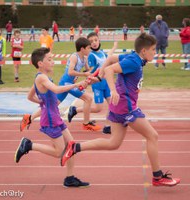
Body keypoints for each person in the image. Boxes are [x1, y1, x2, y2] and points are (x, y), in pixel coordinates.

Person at [61, 33, 181, 187]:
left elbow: (109, 60)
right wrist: (113, 90)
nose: (155, 52)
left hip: (119, 106)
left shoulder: (133, 57)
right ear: (144, 51)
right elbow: (111, 69)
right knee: (153, 136)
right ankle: (157, 177)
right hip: (126, 107)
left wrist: (99, 76)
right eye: (153, 49)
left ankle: (75, 147)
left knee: (113, 143)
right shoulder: (133, 62)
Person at [15, 47, 89, 188]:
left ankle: (70, 178)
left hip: (54, 117)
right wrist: (77, 84)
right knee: (59, 152)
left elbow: (30, 96)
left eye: (52, 59)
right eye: (49, 59)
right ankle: (29, 145)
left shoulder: (41, 78)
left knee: (71, 145)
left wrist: (43, 103)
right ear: (40, 64)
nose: (53, 62)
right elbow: (56, 89)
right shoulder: (42, 78)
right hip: (50, 120)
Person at [20, 37, 101, 132]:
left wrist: (92, 72)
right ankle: (86, 123)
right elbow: (70, 72)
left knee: (53, 104)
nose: (90, 49)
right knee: (88, 98)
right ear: (82, 49)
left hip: (71, 83)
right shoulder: (74, 57)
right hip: (66, 82)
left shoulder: (85, 58)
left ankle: (30, 118)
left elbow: (87, 71)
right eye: (88, 48)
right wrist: (83, 75)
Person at [68, 32, 118, 134]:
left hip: (107, 83)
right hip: (98, 85)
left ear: (99, 40)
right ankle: (75, 110)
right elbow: (90, 71)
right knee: (98, 108)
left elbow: (109, 57)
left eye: (96, 40)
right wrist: (91, 75)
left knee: (113, 104)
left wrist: (114, 47)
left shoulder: (102, 53)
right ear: (88, 45)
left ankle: (107, 126)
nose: (94, 43)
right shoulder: (91, 55)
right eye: (91, 42)